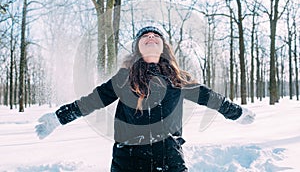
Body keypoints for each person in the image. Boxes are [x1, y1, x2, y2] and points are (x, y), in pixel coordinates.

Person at [35, 26, 255, 172]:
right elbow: (93, 100)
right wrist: (58, 118)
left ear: (163, 47)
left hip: (169, 155)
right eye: (145, 37)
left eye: (156, 36)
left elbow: (210, 98)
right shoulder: (124, 78)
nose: (151, 38)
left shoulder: (178, 78)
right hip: (127, 156)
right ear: (138, 48)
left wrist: (237, 112)